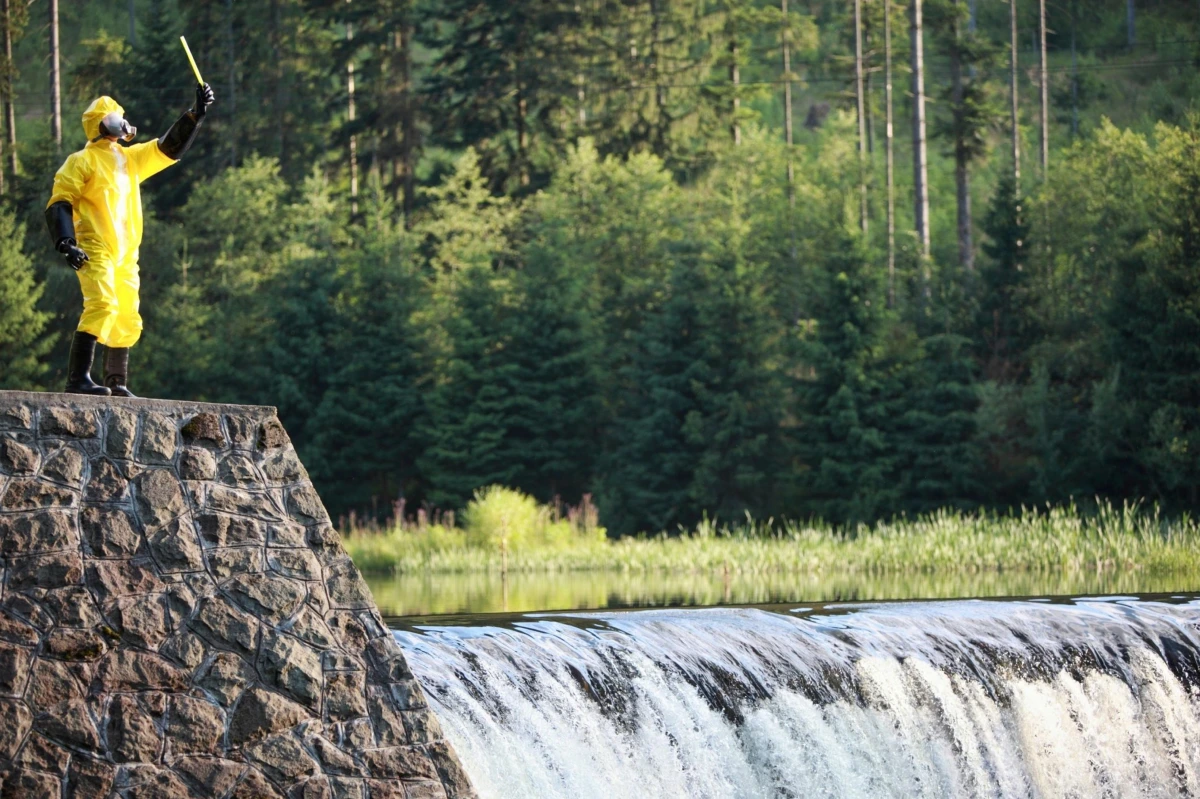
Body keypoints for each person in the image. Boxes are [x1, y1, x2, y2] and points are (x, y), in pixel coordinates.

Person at [45, 84, 215, 397]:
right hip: (95, 247)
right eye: (115, 117)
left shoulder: (129, 159)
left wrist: (194, 116)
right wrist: (66, 243)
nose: (122, 122)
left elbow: (167, 148)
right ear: (101, 123)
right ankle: (78, 379)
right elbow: (60, 202)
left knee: (126, 311)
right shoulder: (80, 161)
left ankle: (116, 382)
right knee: (102, 303)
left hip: (126, 253)